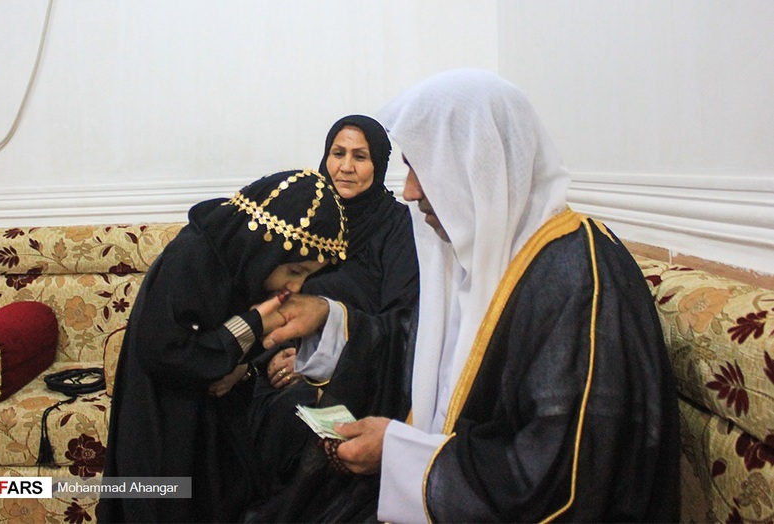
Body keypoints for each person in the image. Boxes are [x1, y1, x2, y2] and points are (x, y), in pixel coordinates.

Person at [261, 69, 681, 522]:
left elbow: (562, 479)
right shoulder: (489, 254)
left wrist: (402, 454)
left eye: (423, 168)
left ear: (478, 165)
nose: (410, 191)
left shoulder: (577, 278)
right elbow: (415, 348)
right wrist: (330, 320)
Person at [97, 169, 347, 523]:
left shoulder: (241, 265)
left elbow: (235, 358)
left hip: (213, 426)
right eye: (294, 270)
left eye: (306, 275)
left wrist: (242, 369)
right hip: (167, 424)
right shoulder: (193, 255)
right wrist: (252, 325)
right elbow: (164, 351)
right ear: (267, 245)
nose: (295, 286)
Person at [243, 115, 419, 513]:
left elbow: (403, 319)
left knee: (305, 418)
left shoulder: (397, 228)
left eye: (360, 156)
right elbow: (266, 298)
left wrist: (318, 359)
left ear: (379, 165)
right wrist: (274, 358)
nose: (346, 167)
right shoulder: (306, 219)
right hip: (281, 369)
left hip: (362, 374)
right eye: (338, 153)